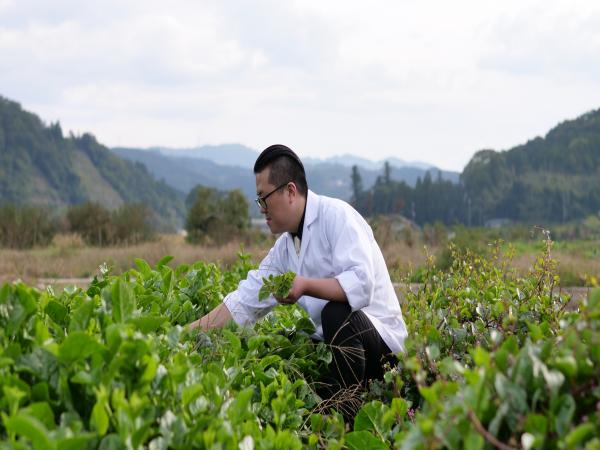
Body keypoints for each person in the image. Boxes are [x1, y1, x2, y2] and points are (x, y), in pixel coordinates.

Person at [189, 144, 407, 407]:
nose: (261, 208)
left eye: (263, 197)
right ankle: (326, 405)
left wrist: (304, 285)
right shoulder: (284, 248)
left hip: (384, 351)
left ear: (290, 191)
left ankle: (346, 412)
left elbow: (362, 285)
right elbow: (244, 301)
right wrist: (183, 334)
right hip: (343, 350)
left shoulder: (337, 217)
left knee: (335, 312)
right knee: (289, 341)